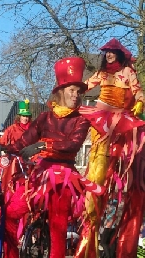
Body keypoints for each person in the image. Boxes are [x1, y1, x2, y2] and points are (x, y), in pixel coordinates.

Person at [0, 57, 105, 258]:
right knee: (8, 214)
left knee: (58, 229)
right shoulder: (44, 117)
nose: (76, 95)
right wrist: (2, 148)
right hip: (39, 178)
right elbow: (24, 141)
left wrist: (44, 145)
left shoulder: (81, 119)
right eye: (72, 90)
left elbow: (73, 144)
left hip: (63, 180)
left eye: (79, 91)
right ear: (61, 91)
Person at [75, 38, 145, 257]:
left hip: (120, 121)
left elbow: (138, 90)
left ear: (119, 53)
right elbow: (87, 86)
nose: (109, 55)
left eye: (112, 52)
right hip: (102, 120)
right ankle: (89, 237)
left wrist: (140, 102)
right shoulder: (102, 74)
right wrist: (72, 90)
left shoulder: (128, 73)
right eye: (106, 52)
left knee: (123, 166)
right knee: (98, 165)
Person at [0, 99, 32, 198]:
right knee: (3, 169)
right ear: (19, 117)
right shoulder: (12, 129)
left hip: (28, 159)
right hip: (14, 159)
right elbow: (2, 141)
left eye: (27, 116)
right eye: (23, 116)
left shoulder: (33, 130)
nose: (25, 118)